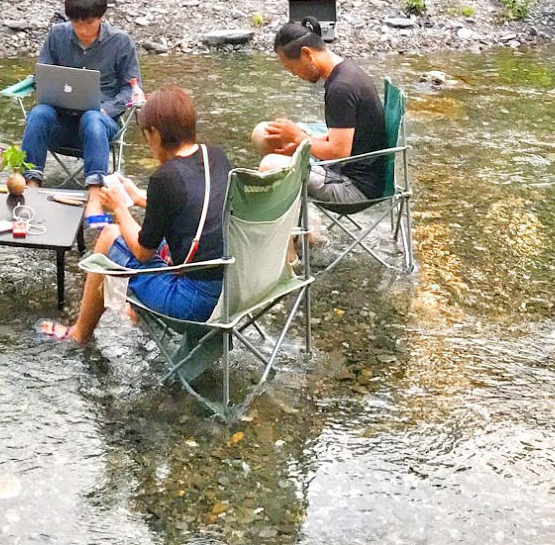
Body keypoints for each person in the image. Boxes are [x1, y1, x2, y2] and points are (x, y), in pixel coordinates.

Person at [43, 86, 228, 341]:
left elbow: (143, 253)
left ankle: (80, 334)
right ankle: (134, 311)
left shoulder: (165, 178)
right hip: (229, 288)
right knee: (132, 236)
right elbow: (193, 209)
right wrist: (140, 198)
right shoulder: (215, 157)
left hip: (191, 304)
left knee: (109, 236)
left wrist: (119, 207)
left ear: (155, 134)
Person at [251, 19, 389, 205]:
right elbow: (349, 137)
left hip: (353, 187)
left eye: (290, 67)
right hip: (350, 169)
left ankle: (291, 221)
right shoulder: (345, 72)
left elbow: (339, 153)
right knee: (264, 134)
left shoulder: (341, 88)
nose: (293, 74)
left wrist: (299, 138)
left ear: (307, 54)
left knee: (269, 165)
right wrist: (299, 145)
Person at [18, 0, 140, 187]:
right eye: (76, 23)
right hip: (60, 122)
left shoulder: (121, 42)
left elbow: (133, 89)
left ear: (101, 17)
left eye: (89, 23)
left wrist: (106, 110)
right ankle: (31, 183)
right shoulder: (57, 35)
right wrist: (47, 89)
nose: (82, 30)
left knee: (93, 117)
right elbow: (41, 76)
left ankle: (96, 190)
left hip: (100, 127)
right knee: (39, 113)